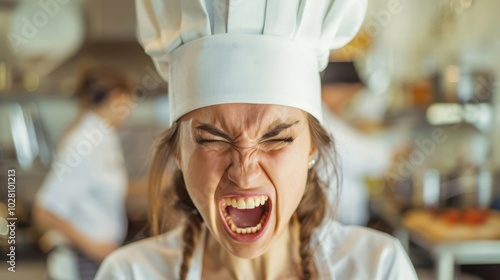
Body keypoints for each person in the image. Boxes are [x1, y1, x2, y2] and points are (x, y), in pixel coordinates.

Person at [96, 0, 419, 279]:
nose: (245, 171)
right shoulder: (129, 274)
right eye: (212, 140)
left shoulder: (378, 269)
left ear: (312, 147)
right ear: (178, 153)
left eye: (276, 138)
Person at [33, 65, 137, 280]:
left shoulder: (103, 136)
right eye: (130, 99)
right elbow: (44, 210)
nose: (131, 107)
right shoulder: (84, 142)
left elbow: (107, 190)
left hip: (97, 259)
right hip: (81, 263)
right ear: (117, 98)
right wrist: (93, 247)